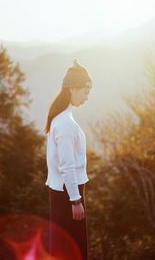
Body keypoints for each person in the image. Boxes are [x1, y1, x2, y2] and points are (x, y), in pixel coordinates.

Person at [44, 59, 92, 260]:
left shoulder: (64, 118)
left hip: (65, 191)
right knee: (73, 250)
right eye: (85, 92)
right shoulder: (64, 123)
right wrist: (75, 200)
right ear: (72, 89)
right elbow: (67, 166)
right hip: (67, 193)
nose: (87, 97)